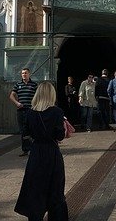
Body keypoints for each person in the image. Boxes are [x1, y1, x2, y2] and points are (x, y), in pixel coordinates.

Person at [14, 81, 68, 220]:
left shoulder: (30, 113)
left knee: (35, 187)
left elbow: (26, 133)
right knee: (55, 188)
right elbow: (60, 136)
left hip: (36, 152)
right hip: (52, 152)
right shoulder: (57, 112)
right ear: (51, 95)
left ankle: (35, 216)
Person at [9, 68, 38, 156]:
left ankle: (34, 148)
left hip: (31, 110)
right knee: (23, 131)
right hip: (21, 111)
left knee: (32, 129)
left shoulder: (34, 85)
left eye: (25, 73)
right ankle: (25, 150)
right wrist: (17, 103)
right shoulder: (18, 85)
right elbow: (11, 96)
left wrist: (35, 105)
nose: (24, 75)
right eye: (22, 73)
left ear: (29, 74)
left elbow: (38, 96)